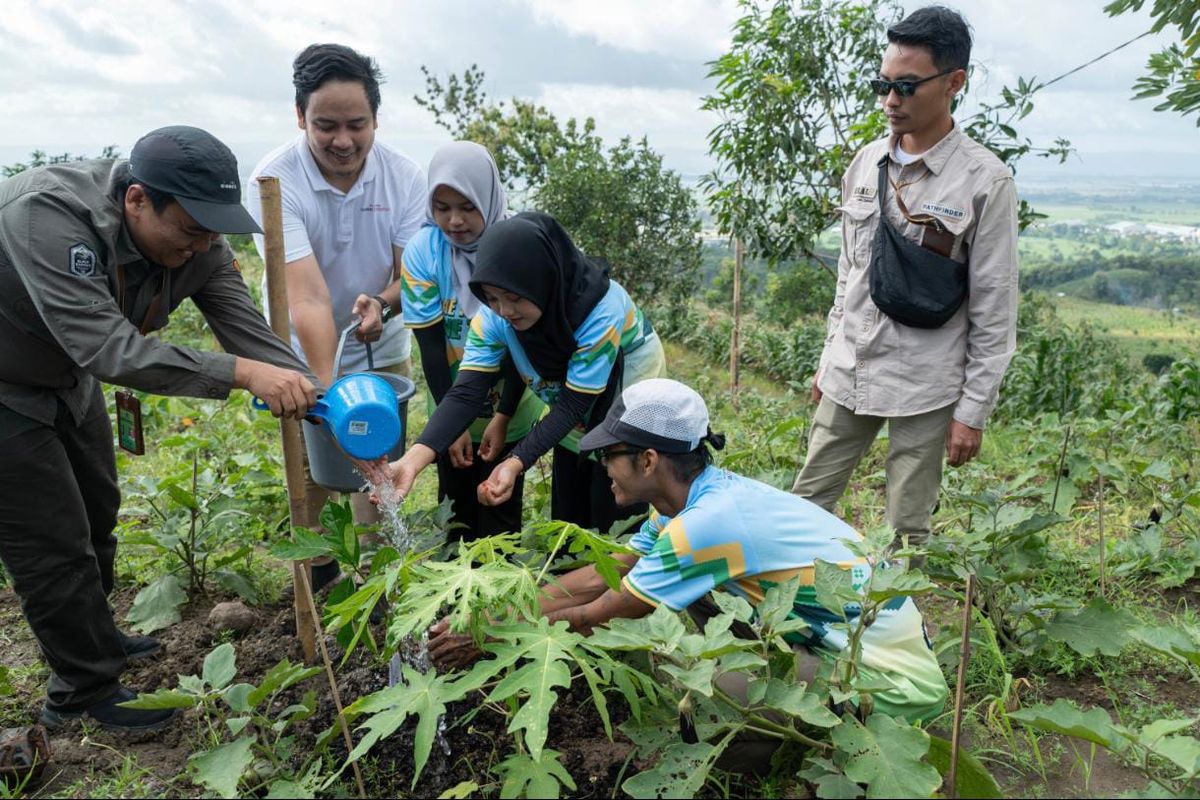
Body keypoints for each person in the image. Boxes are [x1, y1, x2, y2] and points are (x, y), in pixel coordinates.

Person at [427, 378, 949, 773]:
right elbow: (603, 576)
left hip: (891, 684)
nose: (603, 467)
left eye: (611, 455)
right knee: (681, 619)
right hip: (842, 642)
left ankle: (810, 750)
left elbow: (605, 610)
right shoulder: (683, 505)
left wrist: (488, 634)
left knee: (696, 711)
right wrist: (492, 612)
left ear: (649, 459)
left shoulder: (705, 525)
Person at [0, 125, 318, 732]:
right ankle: (81, 690)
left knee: (97, 515)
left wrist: (322, 402)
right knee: (51, 541)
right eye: (192, 230)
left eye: (213, 233)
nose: (202, 247)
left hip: (67, 376)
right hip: (8, 383)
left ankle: (94, 638)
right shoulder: (48, 216)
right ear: (138, 200)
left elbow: (247, 333)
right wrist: (242, 375)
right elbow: (107, 347)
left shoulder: (199, 246)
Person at [794, 6, 1019, 554]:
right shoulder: (867, 160)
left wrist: (972, 412)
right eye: (883, 85)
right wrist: (828, 359)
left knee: (906, 530)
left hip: (926, 382)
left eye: (906, 86)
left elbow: (994, 304)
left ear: (953, 83)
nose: (891, 100)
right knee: (803, 507)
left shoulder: (985, 180)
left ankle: (894, 635)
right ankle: (789, 620)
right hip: (851, 367)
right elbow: (850, 273)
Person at [247, 43, 426, 583]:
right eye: (325, 125)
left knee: (378, 465)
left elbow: (408, 277)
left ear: (376, 118)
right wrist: (328, 399)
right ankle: (321, 576)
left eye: (357, 124)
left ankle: (378, 575)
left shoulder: (403, 178)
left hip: (380, 347)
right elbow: (307, 299)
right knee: (315, 474)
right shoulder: (275, 182)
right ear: (300, 116)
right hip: (303, 352)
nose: (342, 141)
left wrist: (383, 303)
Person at [376, 211, 666, 533]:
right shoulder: (495, 317)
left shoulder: (600, 312)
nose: (504, 311)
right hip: (572, 405)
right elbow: (466, 392)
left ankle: (622, 575)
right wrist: (414, 461)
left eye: (514, 298)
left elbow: (573, 404)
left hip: (626, 395)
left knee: (615, 501)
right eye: (492, 298)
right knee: (569, 515)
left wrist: (515, 462)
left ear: (545, 282)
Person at [401, 142, 543, 540]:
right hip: (451, 402)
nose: (454, 220)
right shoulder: (423, 253)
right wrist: (453, 425)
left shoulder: (514, 245)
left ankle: (498, 600)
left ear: (488, 196)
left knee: (500, 510)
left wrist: (503, 415)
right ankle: (456, 600)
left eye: (467, 206)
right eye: (442, 208)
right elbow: (430, 347)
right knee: (456, 515)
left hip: (511, 402)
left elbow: (523, 346)